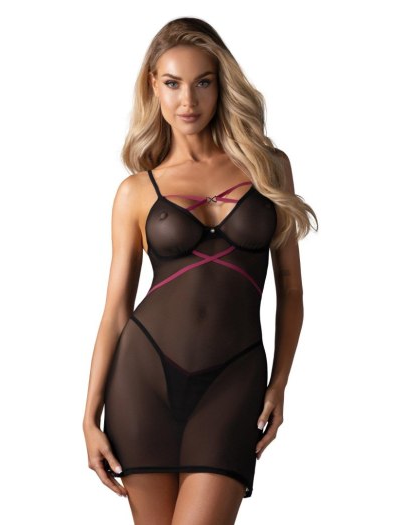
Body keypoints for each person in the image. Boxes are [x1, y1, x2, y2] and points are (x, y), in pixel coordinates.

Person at [83, 16, 318, 525]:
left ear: (221, 85)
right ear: (154, 86)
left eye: (203, 82)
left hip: (233, 380)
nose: (187, 100)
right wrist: (89, 416)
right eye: (173, 83)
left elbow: (291, 289)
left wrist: (280, 382)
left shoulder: (268, 168)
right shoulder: (136, 191)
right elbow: (116, 310)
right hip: (142, 380)